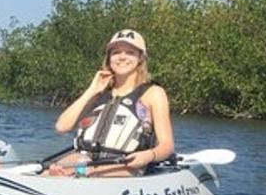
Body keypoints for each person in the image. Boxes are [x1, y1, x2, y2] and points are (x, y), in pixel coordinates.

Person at [44, 29, 173, 177]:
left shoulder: (153, 93)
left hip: (126, 165)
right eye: (116, 52)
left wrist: (149, 155)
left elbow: (167, 145)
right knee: (51, 173)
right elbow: (61, 127)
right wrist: (92, 90)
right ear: (109, 58)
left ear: (140, 59)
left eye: (130, 52)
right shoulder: (99, 93)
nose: (122, 57)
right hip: (85, 161)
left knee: (86, 172)